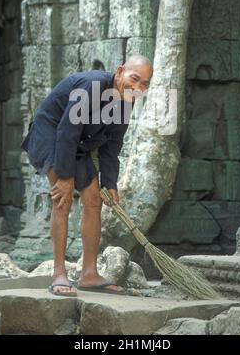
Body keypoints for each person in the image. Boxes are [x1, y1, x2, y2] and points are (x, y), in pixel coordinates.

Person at [22, 55, 153, 296]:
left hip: (76, 143)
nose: (138, 88)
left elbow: (113, 145)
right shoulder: (92, 87)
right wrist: (63, 176)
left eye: (145, 84)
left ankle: (89, 274)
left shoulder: (127, 100)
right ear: (120, 71)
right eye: (135, 79)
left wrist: (110, 183)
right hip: (51, 135)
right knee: (62, 198)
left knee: (93, 200)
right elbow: (66, 130)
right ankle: (59, 274)